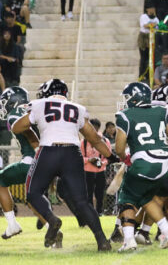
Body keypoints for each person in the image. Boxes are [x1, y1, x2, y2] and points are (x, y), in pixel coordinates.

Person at [11, 78, 112, 251]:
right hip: (72, 153)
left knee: (33, 192)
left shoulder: (39, 104)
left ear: (48, 93)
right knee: (82, 202)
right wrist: (111, 155)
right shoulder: (77, 108)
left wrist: (34, 130)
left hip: (48, 151)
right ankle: (102, 240)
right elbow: (94, 138)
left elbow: (16, 127)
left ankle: (52, 220)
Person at [114, 82, 168, 251]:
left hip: (144, 162)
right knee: (146, 197)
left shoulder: (125, 115)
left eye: (128, 97)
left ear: (135, 97)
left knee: (126, 197)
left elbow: (119, 148)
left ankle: (129, 240)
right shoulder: (161, 111)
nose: (126, 100)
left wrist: (125, 158)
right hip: (166, 163)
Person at [0, 86, 47, 240]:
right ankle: (51, 225)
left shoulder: (15, 114)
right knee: (33, 199)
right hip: (50, 158)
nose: (4, 106)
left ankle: (12, 225)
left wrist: (37, 151)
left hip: (33, 159)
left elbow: (29, 133)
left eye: (5, 102)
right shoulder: (34, 109)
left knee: (0, 180)